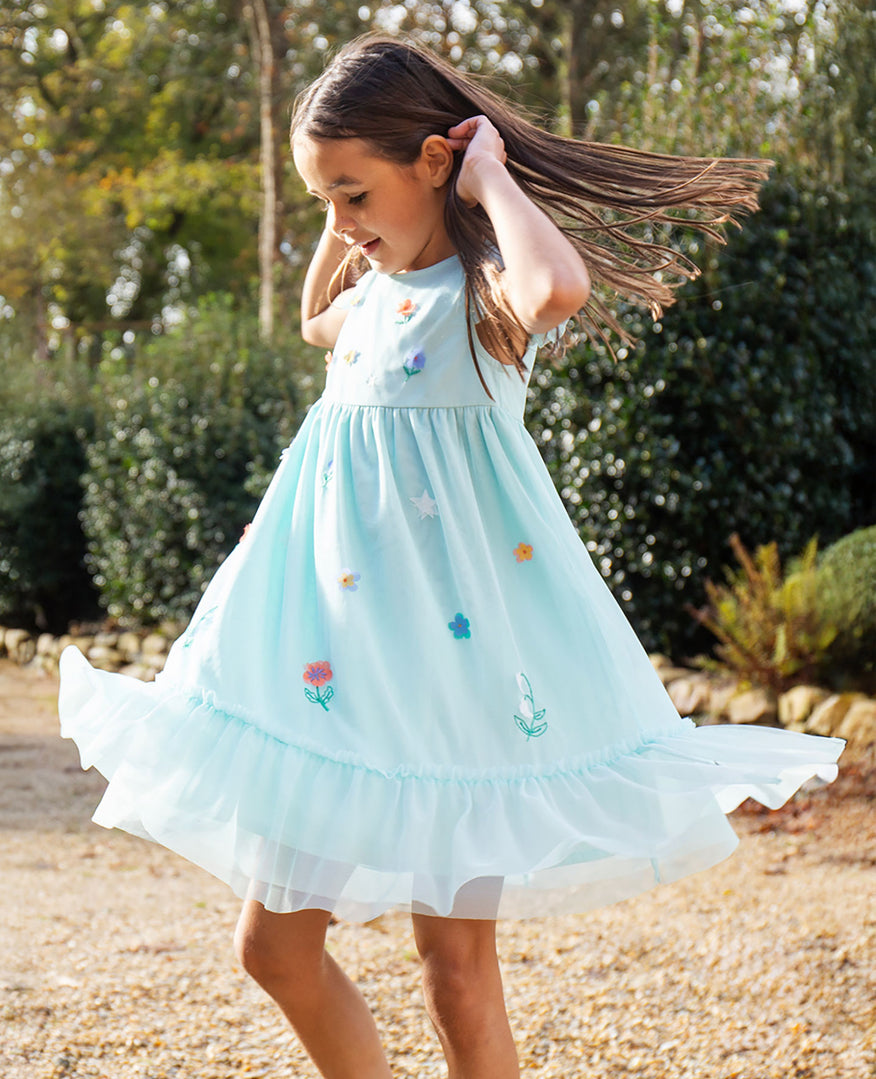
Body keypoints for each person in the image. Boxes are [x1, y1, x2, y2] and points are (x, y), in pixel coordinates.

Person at [58, 34, 844, 1079]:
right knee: (272, 948)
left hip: (447, 679)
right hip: (331, 675)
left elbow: (555, 284)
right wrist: (358, 222)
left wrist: (488, 177)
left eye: (353, 196)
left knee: (456, 975)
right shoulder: (372, 303)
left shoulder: (482, 308)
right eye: (322, 204)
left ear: (432, 163)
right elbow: (311, 318)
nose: (338, 226)